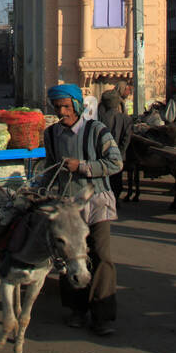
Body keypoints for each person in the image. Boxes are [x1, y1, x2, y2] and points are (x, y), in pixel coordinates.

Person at [43, 83, 123, 336]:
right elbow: (50, 168)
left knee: (101, 256)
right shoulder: (51, 134)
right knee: (71, 257)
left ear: (77, 105)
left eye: (66, 106)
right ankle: (76, 310)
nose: (62, 112)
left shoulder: (97, 131)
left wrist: (82, 167)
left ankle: (102, 316)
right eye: (57, 107)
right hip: (68, 207)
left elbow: (115, 163)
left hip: (96, 204)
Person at [97, 86, 133, 201]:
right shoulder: (126, 119)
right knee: (117, 178)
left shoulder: (100, 119)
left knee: (106, 179)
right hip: (119, 155)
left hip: (103, 155)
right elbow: (126, 138)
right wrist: (121, 153)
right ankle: (115, 200)